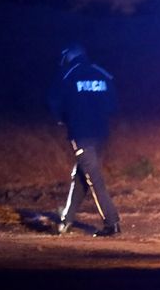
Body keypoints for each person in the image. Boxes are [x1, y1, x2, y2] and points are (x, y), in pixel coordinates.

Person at [47, 43, 122, 237]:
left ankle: (112, 223)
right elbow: (114, 103)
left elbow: (54, 101)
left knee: (93, 177)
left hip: (81, 134)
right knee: (82, 175)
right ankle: (66, 221)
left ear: (70, 56)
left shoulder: (67, 74)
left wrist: (64, 119)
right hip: (102, 134)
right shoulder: (101, 73)